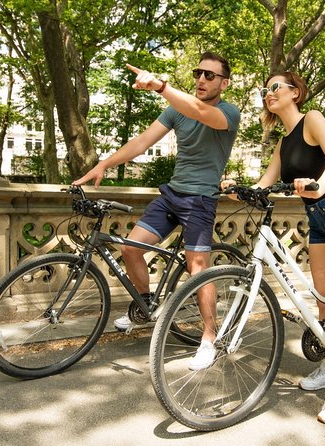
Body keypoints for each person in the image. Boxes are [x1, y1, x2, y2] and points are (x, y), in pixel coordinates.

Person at [222, 72, 325, 424]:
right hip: (320, 221)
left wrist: (319, 184)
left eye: (275, 87)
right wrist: (237, 189)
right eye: (265, 90)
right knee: (322, 299)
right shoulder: (282, 143)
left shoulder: (313, 119)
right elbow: (264, 184)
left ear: (296, 92)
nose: (268, 93)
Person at [73, 52, 240, 371]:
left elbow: (202, 113)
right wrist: (104, 164)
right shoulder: (177, 110)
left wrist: (161, 85)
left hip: (201, 199)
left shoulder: (228, 113)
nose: (201, 79)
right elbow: (141, 142)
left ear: (224, 83)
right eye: (198, 73)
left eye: (210, 75)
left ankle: (210, 338)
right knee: (130, 248)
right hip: (172, 194)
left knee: (199, 267)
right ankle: (146, 305)